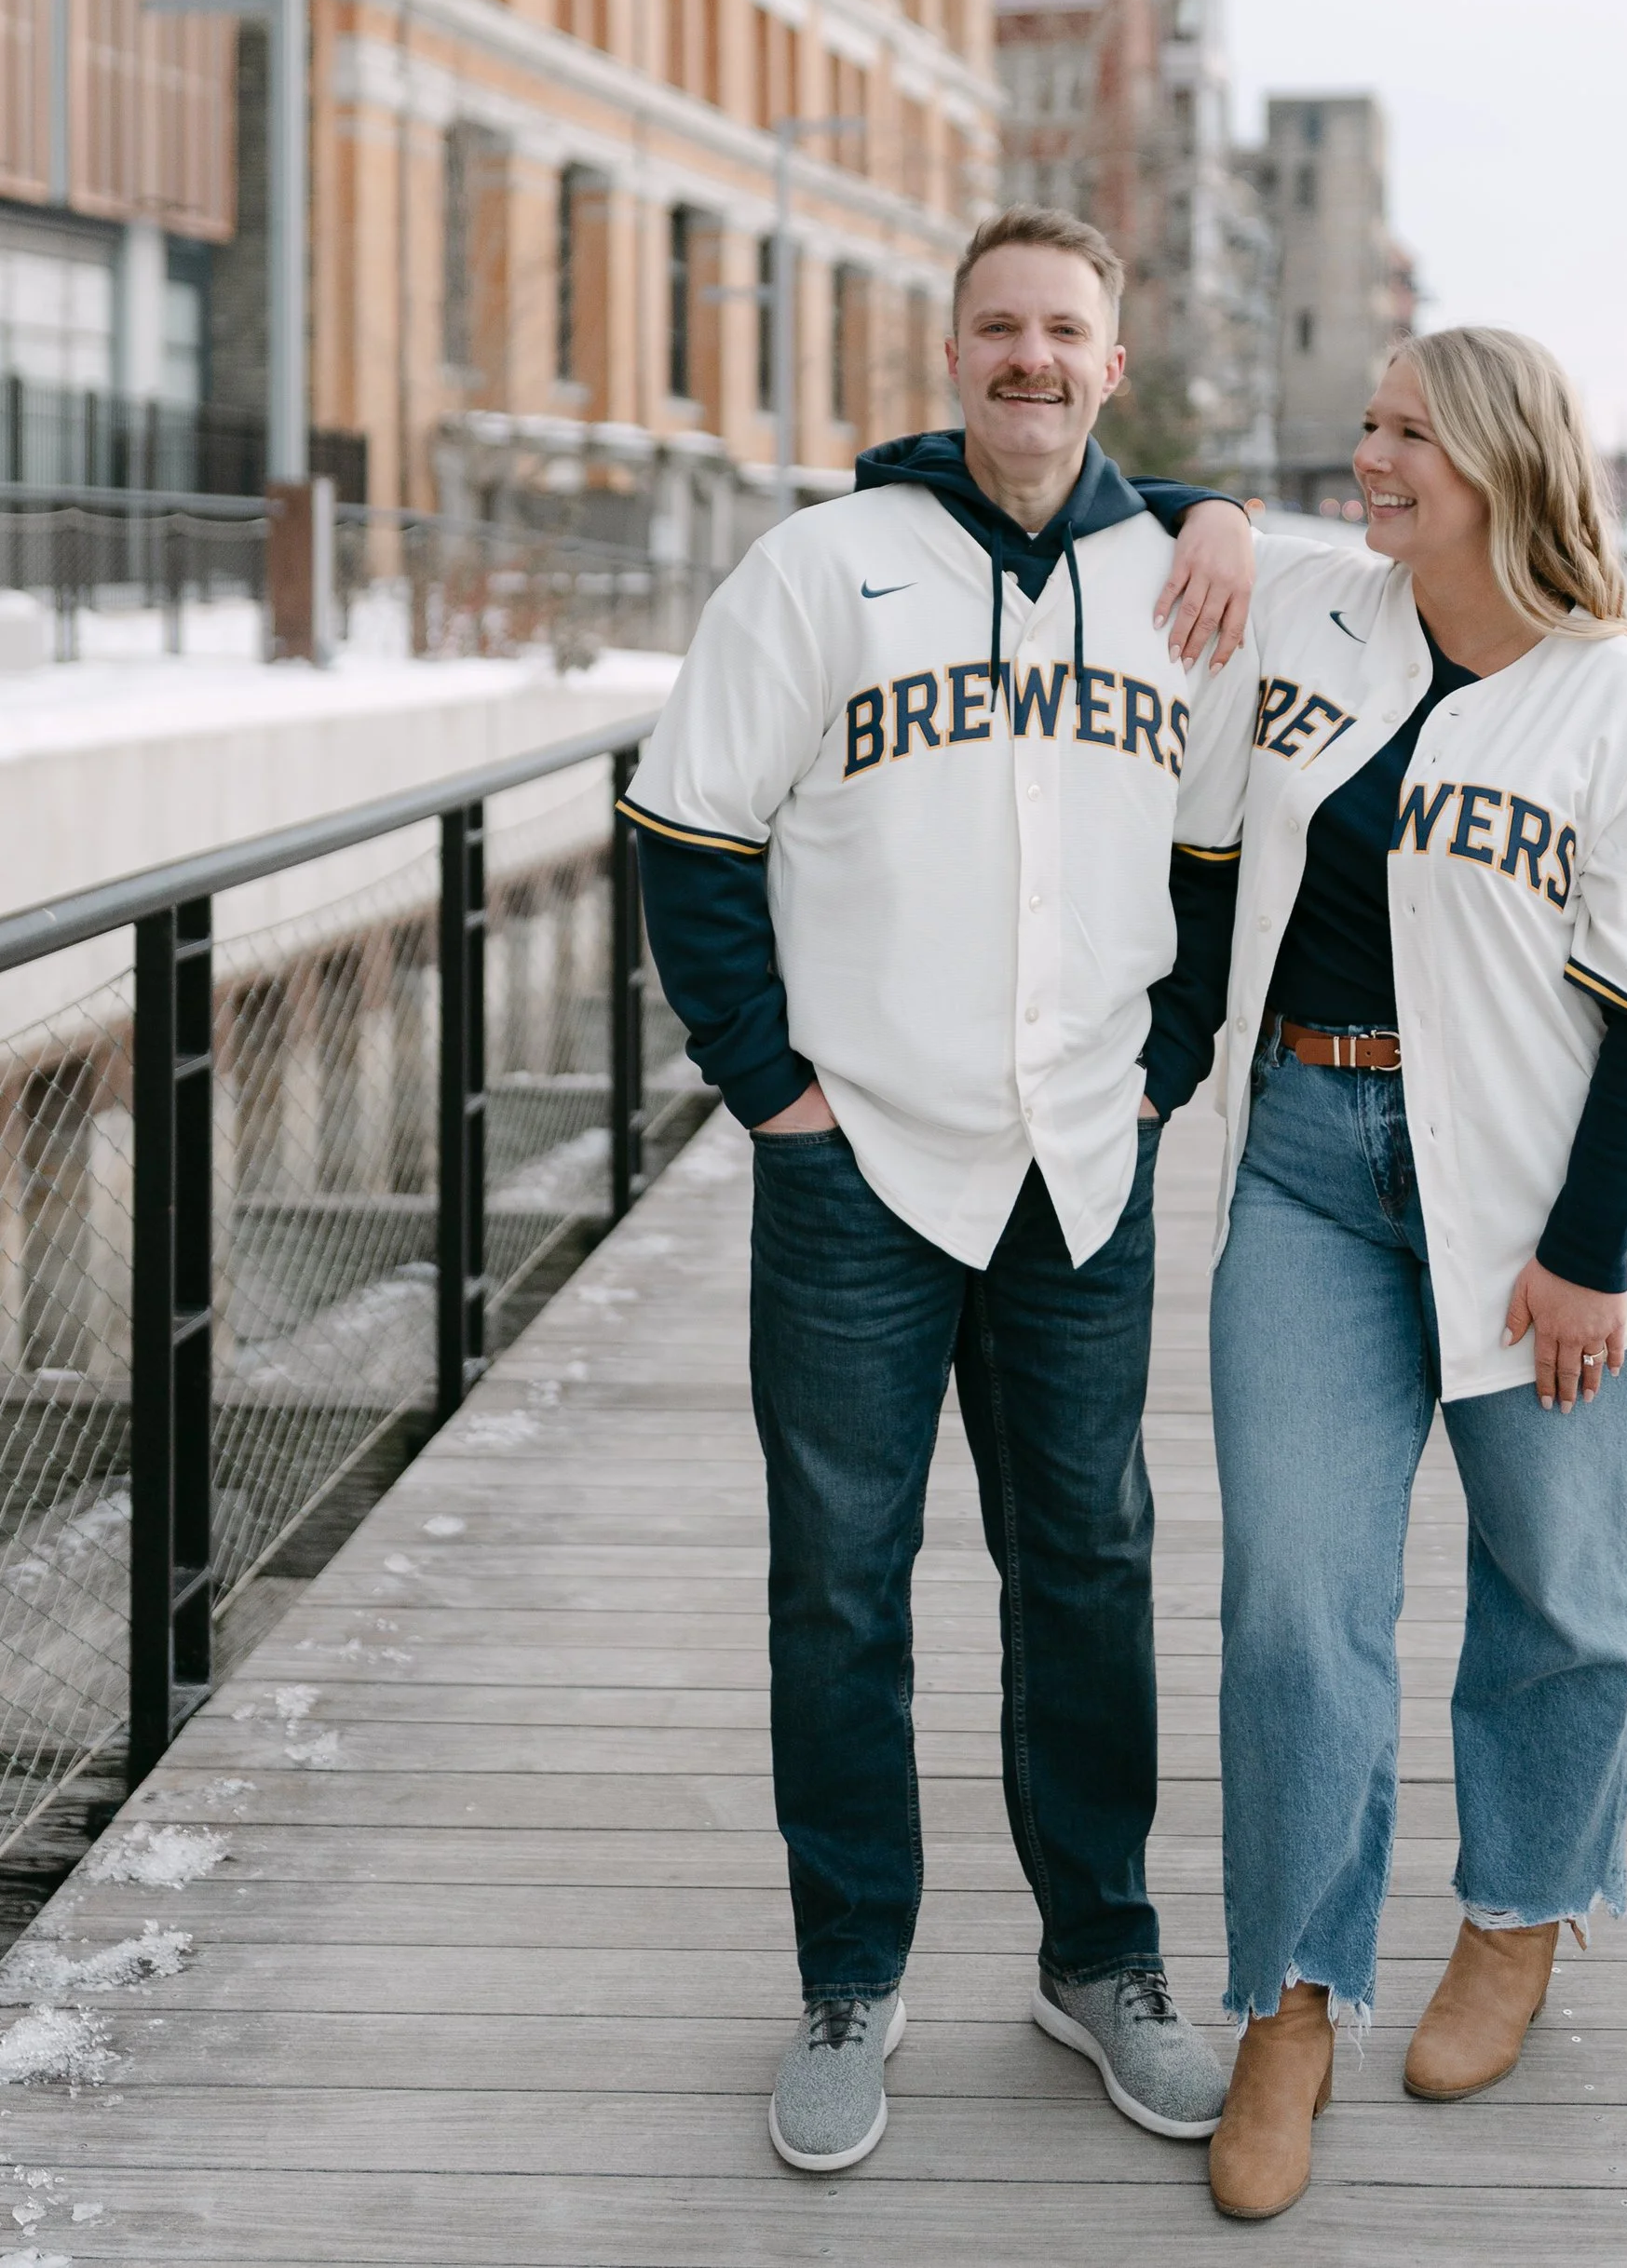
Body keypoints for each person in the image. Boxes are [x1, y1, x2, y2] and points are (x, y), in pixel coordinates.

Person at [623, 207, 1258, 2177]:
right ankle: (849, 1977)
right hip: (860, 1165)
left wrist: (1162, 1073)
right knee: (839, 1583)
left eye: (1064, 330)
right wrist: (770, 1090)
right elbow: (685, 832)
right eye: (998, 327)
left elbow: (1216, 861)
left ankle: (1101, 1960)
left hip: (1080, 1161)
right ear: (950, 349)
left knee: (1086, 1568)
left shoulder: (1183, 585)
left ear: (1111, 363)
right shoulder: (824, 566)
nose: (1030, 360)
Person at [1200, 327, 1627, 2222]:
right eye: (1355, 425)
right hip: (1302, 1171)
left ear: (1503, 462)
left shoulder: (1618, 707)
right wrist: (1197, 507)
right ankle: (1289, 1996)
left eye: (1405, 433)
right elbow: (1131, 529)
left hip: (1537, 1216)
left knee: (1555, 1589)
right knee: (1290, 1601)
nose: (1365, 458)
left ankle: (1516, 1912)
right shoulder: (1313, 620)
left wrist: (1584, 1256)